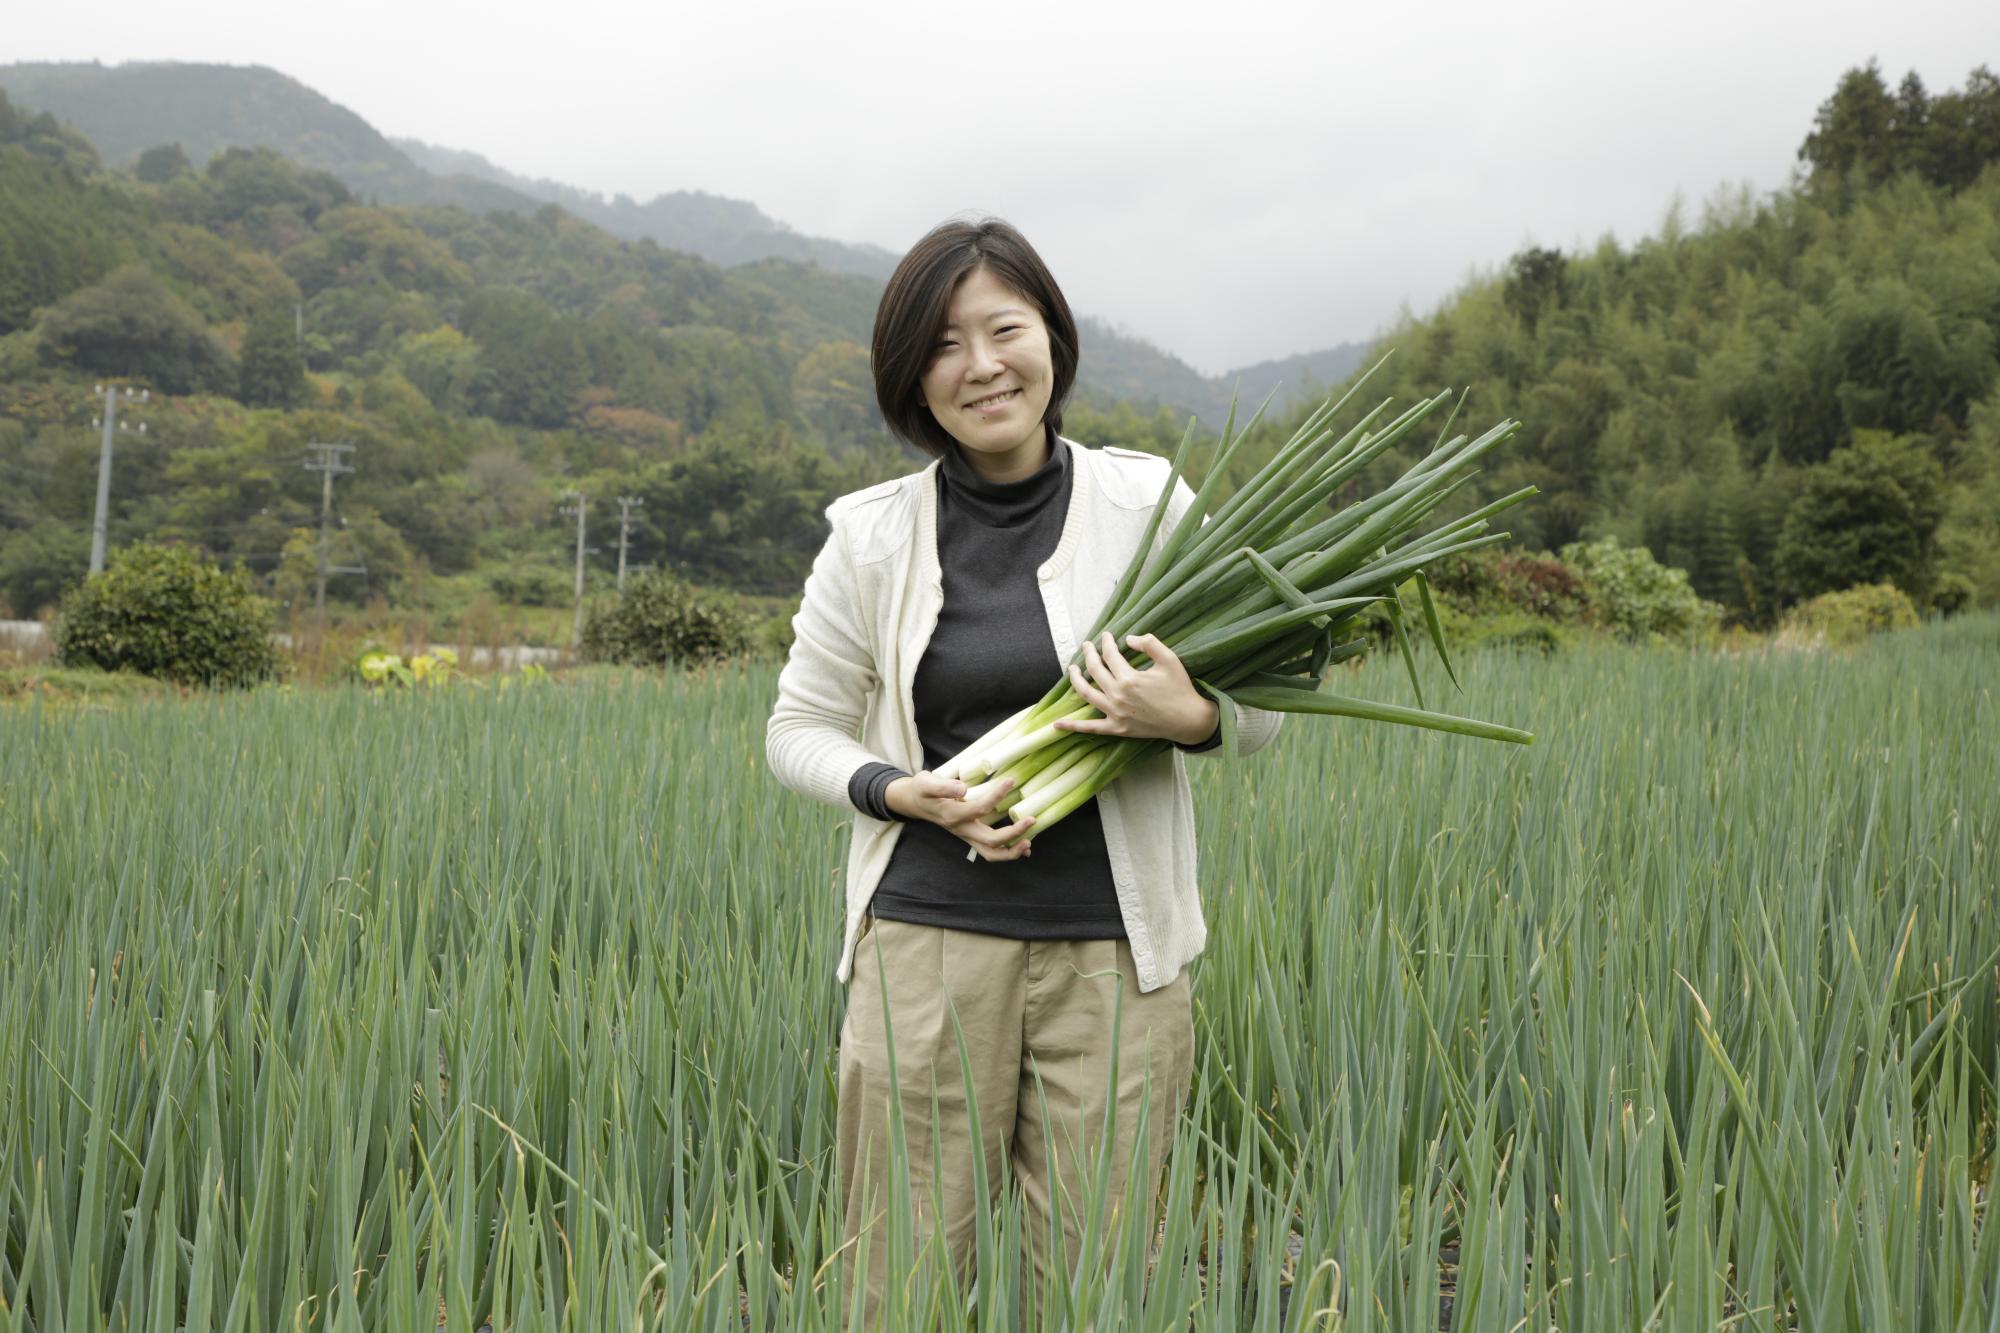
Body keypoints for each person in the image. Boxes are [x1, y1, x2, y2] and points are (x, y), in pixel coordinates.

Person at [764, 216, 1281, 1324]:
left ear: (1052, 336)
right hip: (924, 946)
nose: (982, 364)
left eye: (1005, 328)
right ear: (911, 378)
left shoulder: (1147, 507)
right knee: (895, 1285)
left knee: (1096, 1289)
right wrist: (902, 792)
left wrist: (1184, 712)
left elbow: (1263, 708)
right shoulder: (868, 537)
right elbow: (797, 730)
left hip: (1114, 957)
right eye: (944, 344)